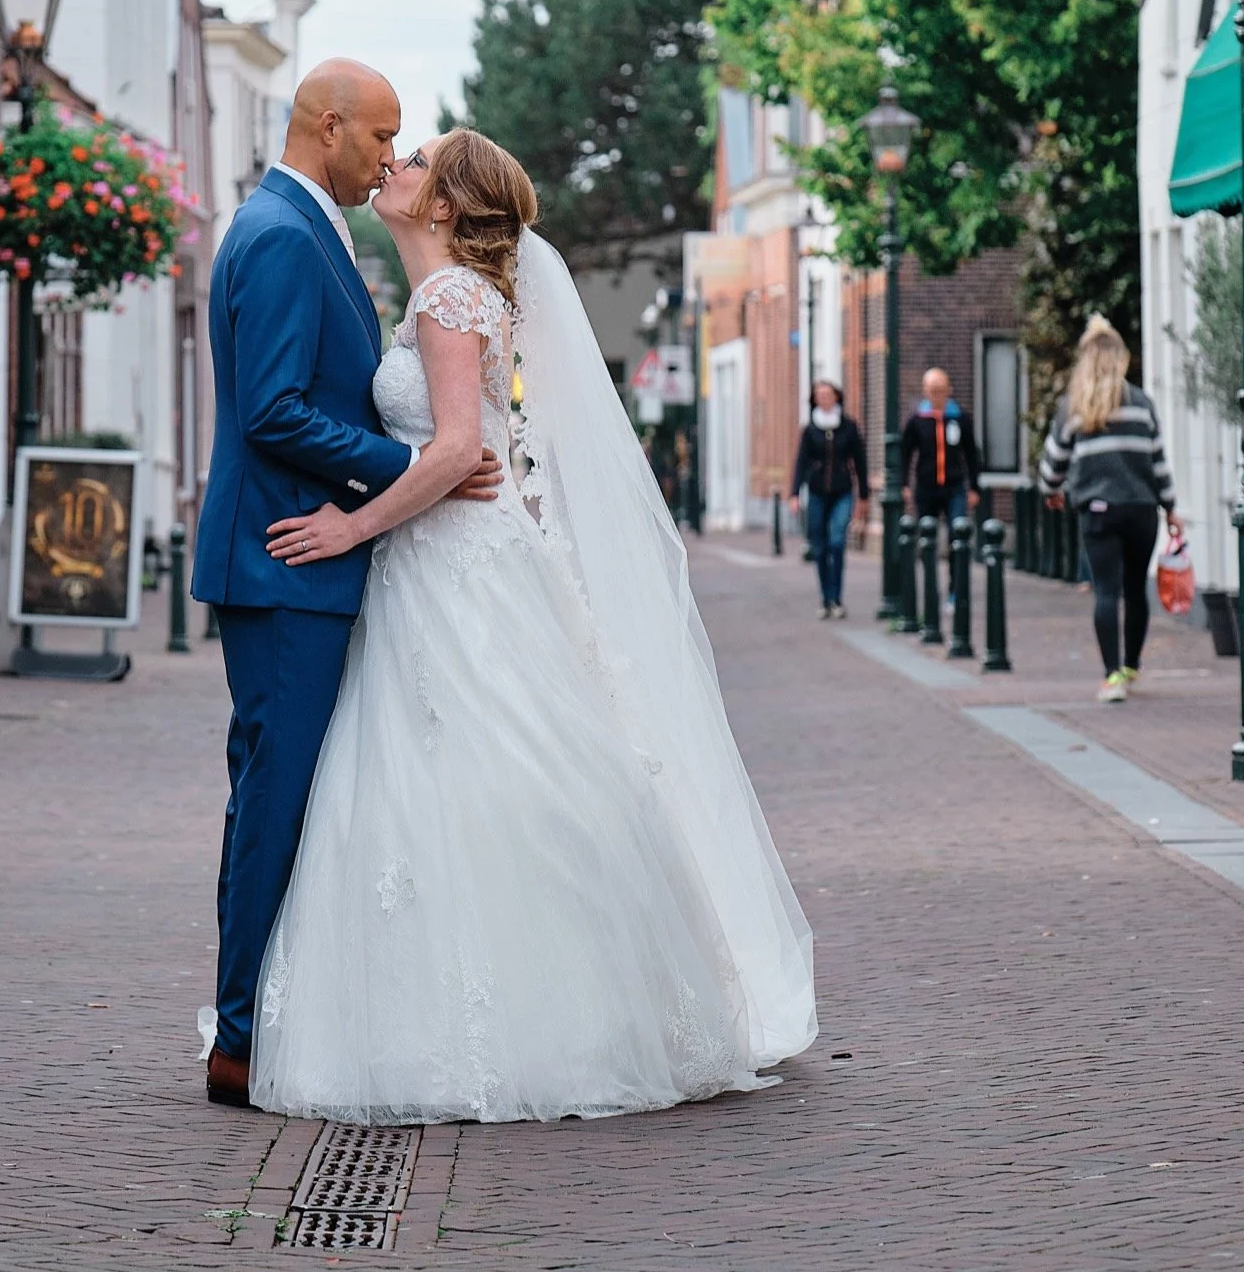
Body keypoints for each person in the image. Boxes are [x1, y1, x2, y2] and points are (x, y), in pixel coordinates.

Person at [244, 129, 817, 1123]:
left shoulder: (447, 298)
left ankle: (517, 1021)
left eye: (415, 161)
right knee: (472, 764)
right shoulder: (444, 298)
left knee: (480, 762)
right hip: (449, 557)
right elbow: (467, 451)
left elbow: (456, 449)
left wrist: (350, 526)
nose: (394, 166)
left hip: (451, 561)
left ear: (445, 206)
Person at [190, 61, 504, 1109]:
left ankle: (260, 1020)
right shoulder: (283, 235)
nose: (388, 157)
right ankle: (240, 1038)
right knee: (274, 797)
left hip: (298, 559)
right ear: (328, 127)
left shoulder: (298, 224)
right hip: (288, 559)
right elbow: (274, 411)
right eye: (379, 136)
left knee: (278, 792)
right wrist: (412, 466)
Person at [1037, 317, 1179, 703]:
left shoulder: (1074, 406)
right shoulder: (1142, 403)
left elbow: (1053, 462)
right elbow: (1158, 462)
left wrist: (1051, 490)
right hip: (1141, 510)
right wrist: (1170, 507)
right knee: (1135, 589)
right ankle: (1131, 666)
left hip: (1098, 510)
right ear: (1120, 358)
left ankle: (1112, 676)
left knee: (1105, 591)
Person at [791, 379, 868, 618]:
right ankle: (825, 599)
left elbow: (860, 461)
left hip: (842, 491)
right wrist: (794, 493)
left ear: (836, 397)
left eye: (828, 395)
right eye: (820, 396)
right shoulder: (810, 429)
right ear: (815, 400)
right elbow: (801, 462)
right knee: (820, 547)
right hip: (816, 492)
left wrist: (864, 495)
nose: (824, 399)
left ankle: (836, 598)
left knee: (837, 541)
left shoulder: (849, 427)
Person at [900, 368, 979, 535]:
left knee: (957, 530)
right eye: (933, 390)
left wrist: (974, 487)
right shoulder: (917, 420)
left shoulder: (959, 418)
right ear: (925, 391)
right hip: (926, 484)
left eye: (940, 390)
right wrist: (904, 483)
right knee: (926, 531)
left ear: (949, 390)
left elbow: (971, 453)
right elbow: (905, 453)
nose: (937, 395)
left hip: (954, 484)